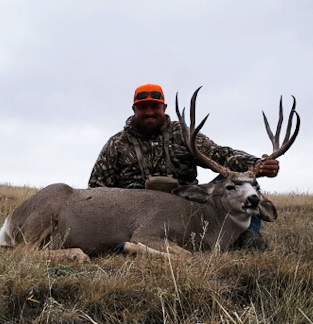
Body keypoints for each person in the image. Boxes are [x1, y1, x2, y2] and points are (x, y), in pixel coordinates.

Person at [88, 84, 280, 249]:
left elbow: (220, 154)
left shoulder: (184, 135)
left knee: (240, 183)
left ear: (164, 107)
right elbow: (97, 189)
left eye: (154, 107)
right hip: (138, 213)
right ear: (134, 109)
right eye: (142, 107)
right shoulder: (117, 144)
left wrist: (256, 164)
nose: (149, 112)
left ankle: (249, 236)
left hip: (187, 205)